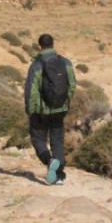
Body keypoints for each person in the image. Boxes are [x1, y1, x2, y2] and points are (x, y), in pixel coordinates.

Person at [24, 33, 76, 185]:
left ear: (39, 46)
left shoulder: (36, 66)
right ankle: (59, 176)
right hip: (60, 109)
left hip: (41, 111)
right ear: (53, 45)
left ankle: (49, 160)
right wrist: (65, 101)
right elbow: (72, 85)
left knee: (38, 139)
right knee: (57, 141)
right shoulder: (65, 63)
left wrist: (30, 110)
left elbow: (31, 92)